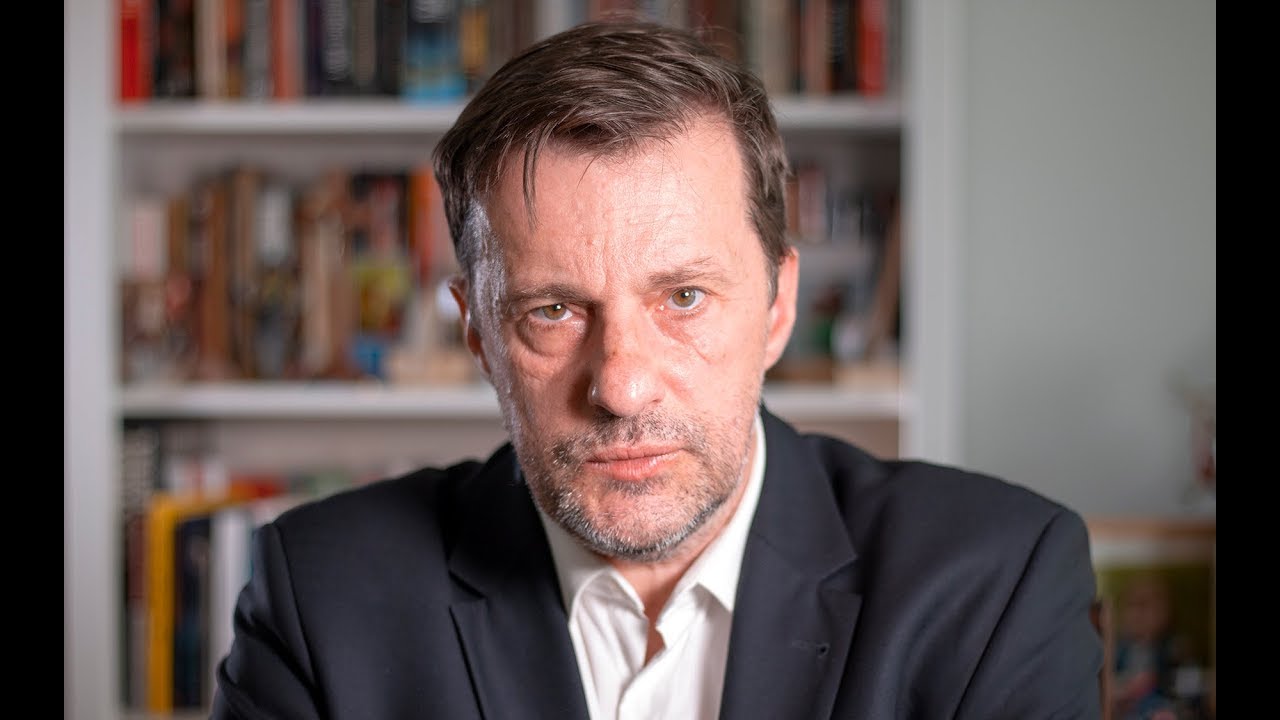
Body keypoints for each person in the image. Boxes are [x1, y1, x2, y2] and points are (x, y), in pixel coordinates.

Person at [211, 18, 1103, 720]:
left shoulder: (996, 586)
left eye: (683, 297)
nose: (622, 386)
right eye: (553, 311)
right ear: (478, 334)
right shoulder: (319, 597)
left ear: (778, 306)